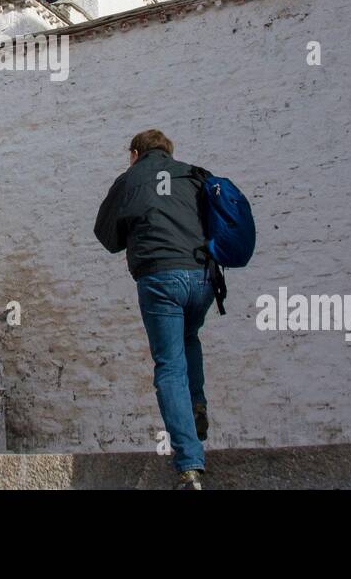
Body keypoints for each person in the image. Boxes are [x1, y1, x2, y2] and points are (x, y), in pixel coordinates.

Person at [94, 129, 214, 490]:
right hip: (203, 279)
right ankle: (197, 403)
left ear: (134, 153)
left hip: (161, 278)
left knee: (169, 365)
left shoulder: (130, 179)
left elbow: (107, 237)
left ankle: (190, 466)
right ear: (168, 152)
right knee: (189, 337)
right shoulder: (194, 174)